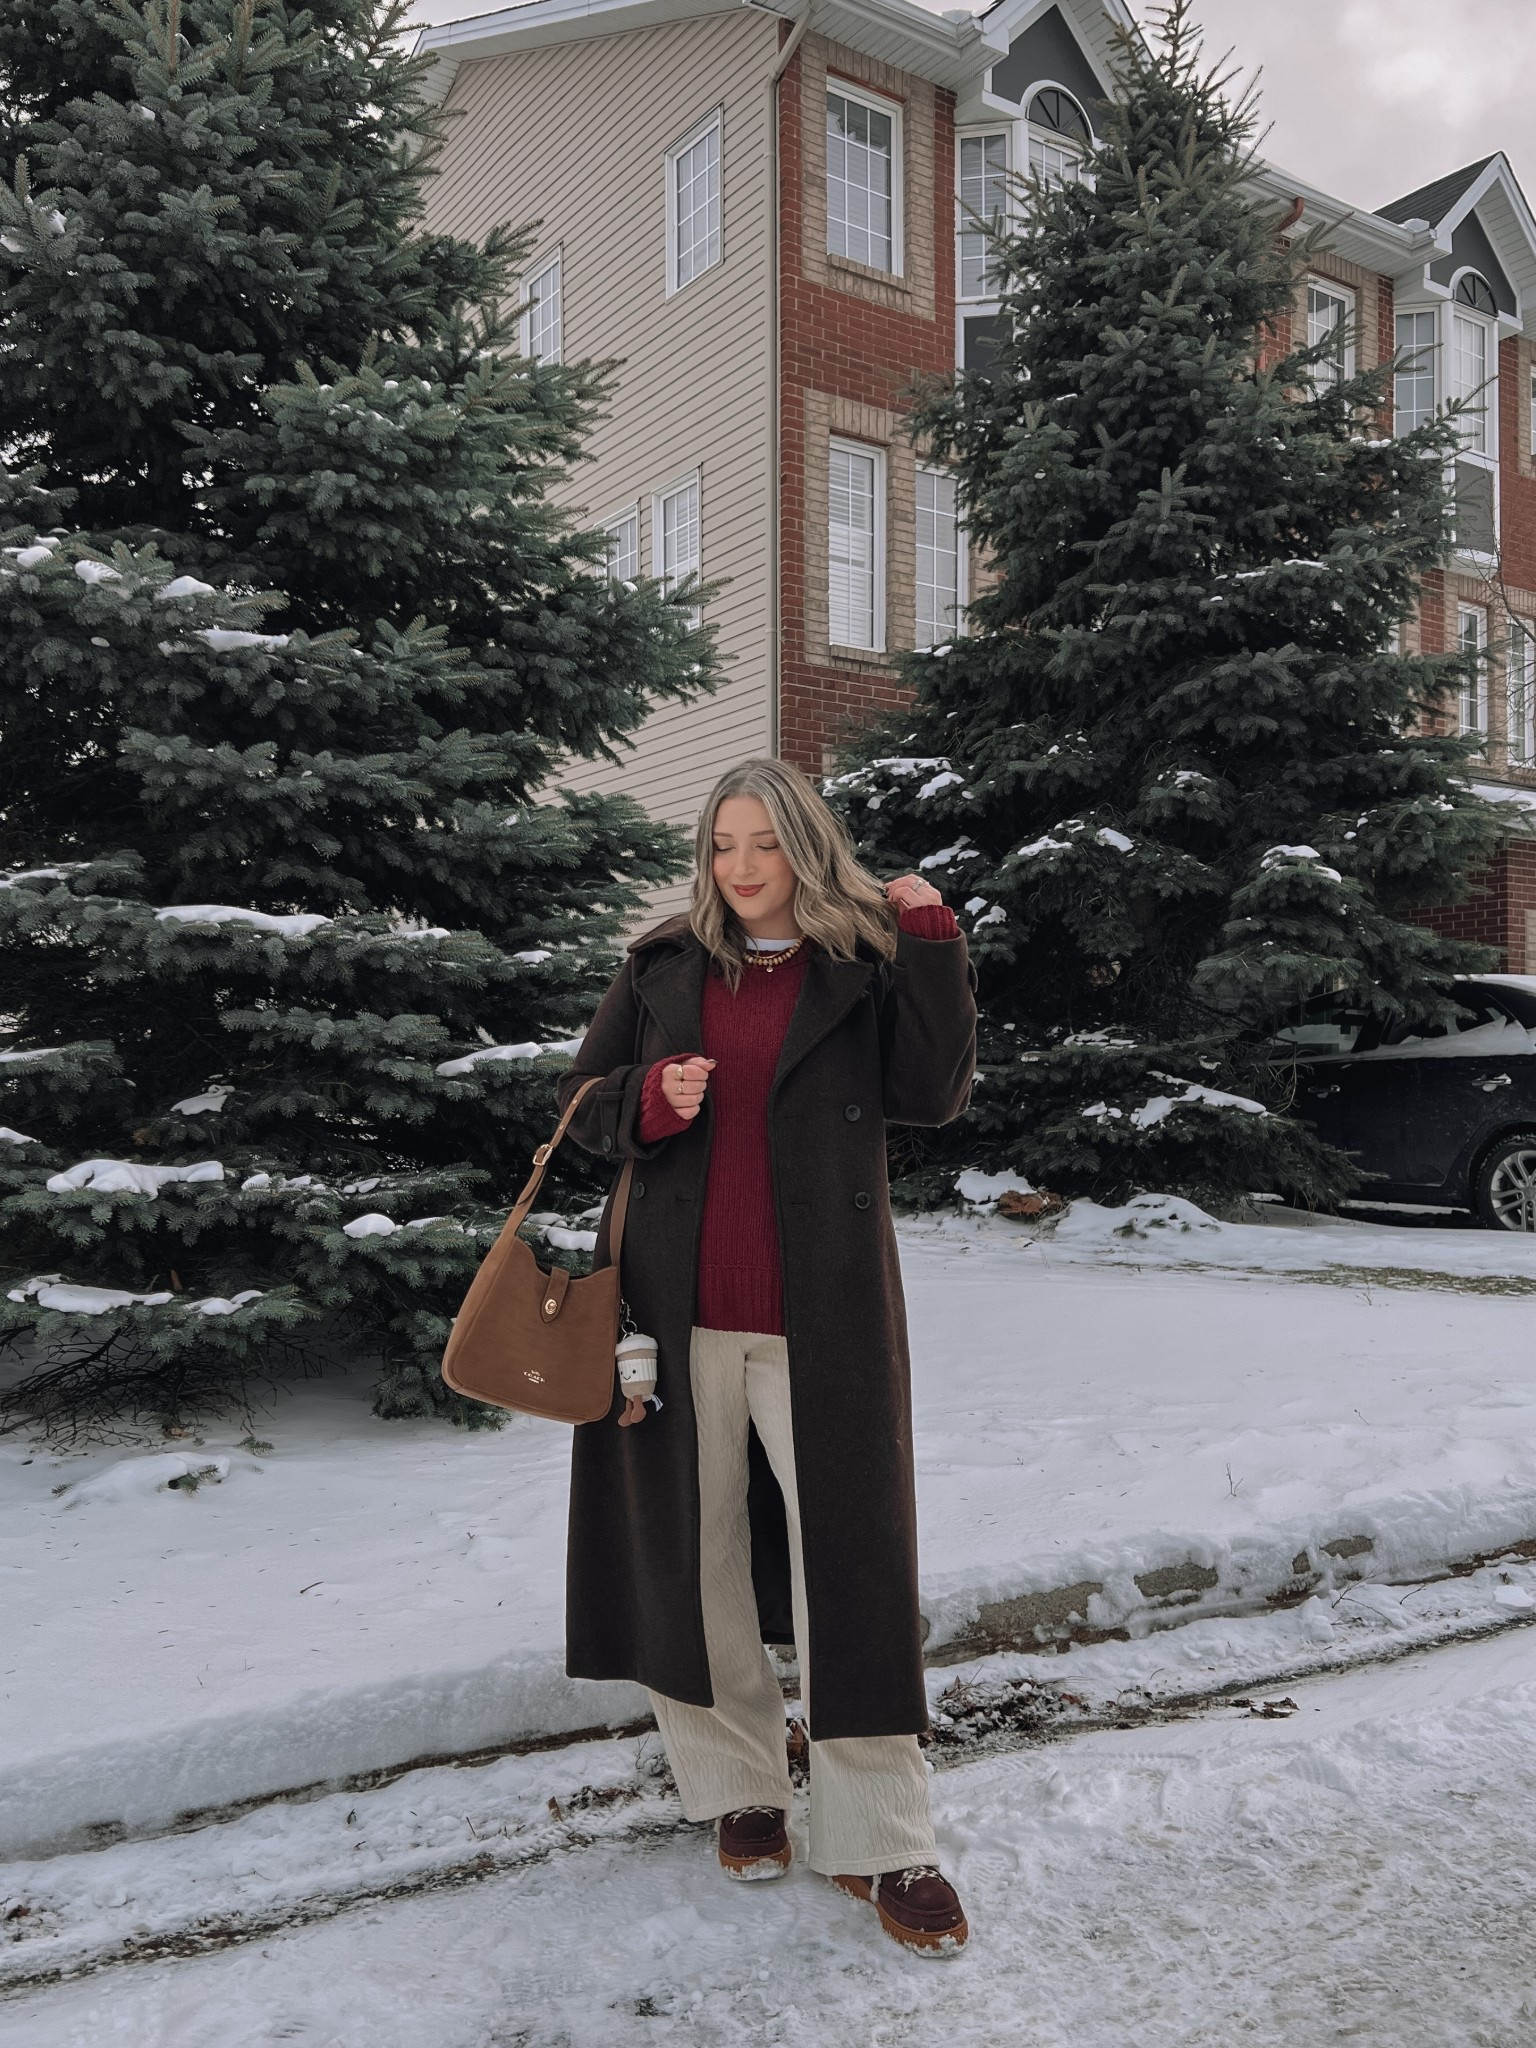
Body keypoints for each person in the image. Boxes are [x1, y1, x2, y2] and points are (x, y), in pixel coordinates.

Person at [556, 756, 977, 1955]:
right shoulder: (662, 963)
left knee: (855, 1562)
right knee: (691, 1554)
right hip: (668, 1314)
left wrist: (932, 942)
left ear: (808, 846)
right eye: (722, 843)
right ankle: (739, 1781)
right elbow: (579, 1106)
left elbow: (934, 1093)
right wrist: (646, 1099)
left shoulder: (864, 963)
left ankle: (882, 1832)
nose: (741, 866)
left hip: (823, 1315)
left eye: (765, 842)